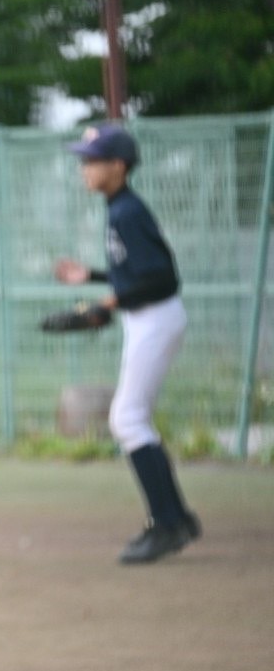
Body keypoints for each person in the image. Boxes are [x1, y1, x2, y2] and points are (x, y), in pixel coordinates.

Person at [56, 123, 200, 565]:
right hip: (148, 319)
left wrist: (107, 302)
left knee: (128, 419)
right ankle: (176, 518)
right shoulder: (120, 208)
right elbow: (137, 269)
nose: (84, 168)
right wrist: (96, 279)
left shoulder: (128, 211)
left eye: (92, 160)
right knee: (132, 419)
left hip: (154, 319)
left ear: (118, 166)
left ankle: (168, 525)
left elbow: (162, 276)